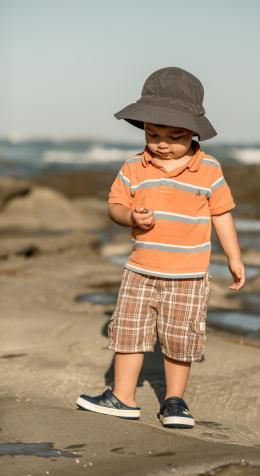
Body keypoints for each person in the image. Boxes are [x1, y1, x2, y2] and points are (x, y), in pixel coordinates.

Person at [76, 67, 246, 429]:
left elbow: (222, 214)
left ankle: (175, 402)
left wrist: (234, 256)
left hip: (188, 276)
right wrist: (131, 219)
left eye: (175, 135)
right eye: (153, 133)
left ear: (195, 133)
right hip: (140, 270)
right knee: (128, 333)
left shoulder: (210, 170)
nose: (162, 143)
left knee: (180, 339)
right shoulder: (134, 167)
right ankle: (122, 397)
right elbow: (114, 206)